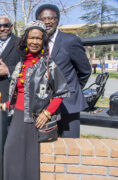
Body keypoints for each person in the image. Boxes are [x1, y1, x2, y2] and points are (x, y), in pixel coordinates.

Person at [3, 20, 69, 180]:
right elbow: (19, 92)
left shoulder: (49, 64)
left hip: (35, 120)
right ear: (25, 39)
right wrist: (5, 104)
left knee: (30, 159)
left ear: (43, 41)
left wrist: (47, 113)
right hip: (17, 117)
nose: (34, 42)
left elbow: (61, 92)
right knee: (10, 153)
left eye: (39, 38)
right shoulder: (21, 63)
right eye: (31, 38)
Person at [35, 4, 92, 138]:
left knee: (70, 147)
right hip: (44, 107)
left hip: (69, 106)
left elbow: (85, 71)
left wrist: (71, 89)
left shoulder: (70, 41)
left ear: (57, 20)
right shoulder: (36, 43)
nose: (47, 22)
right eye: (43, 19)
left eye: (51, 18)